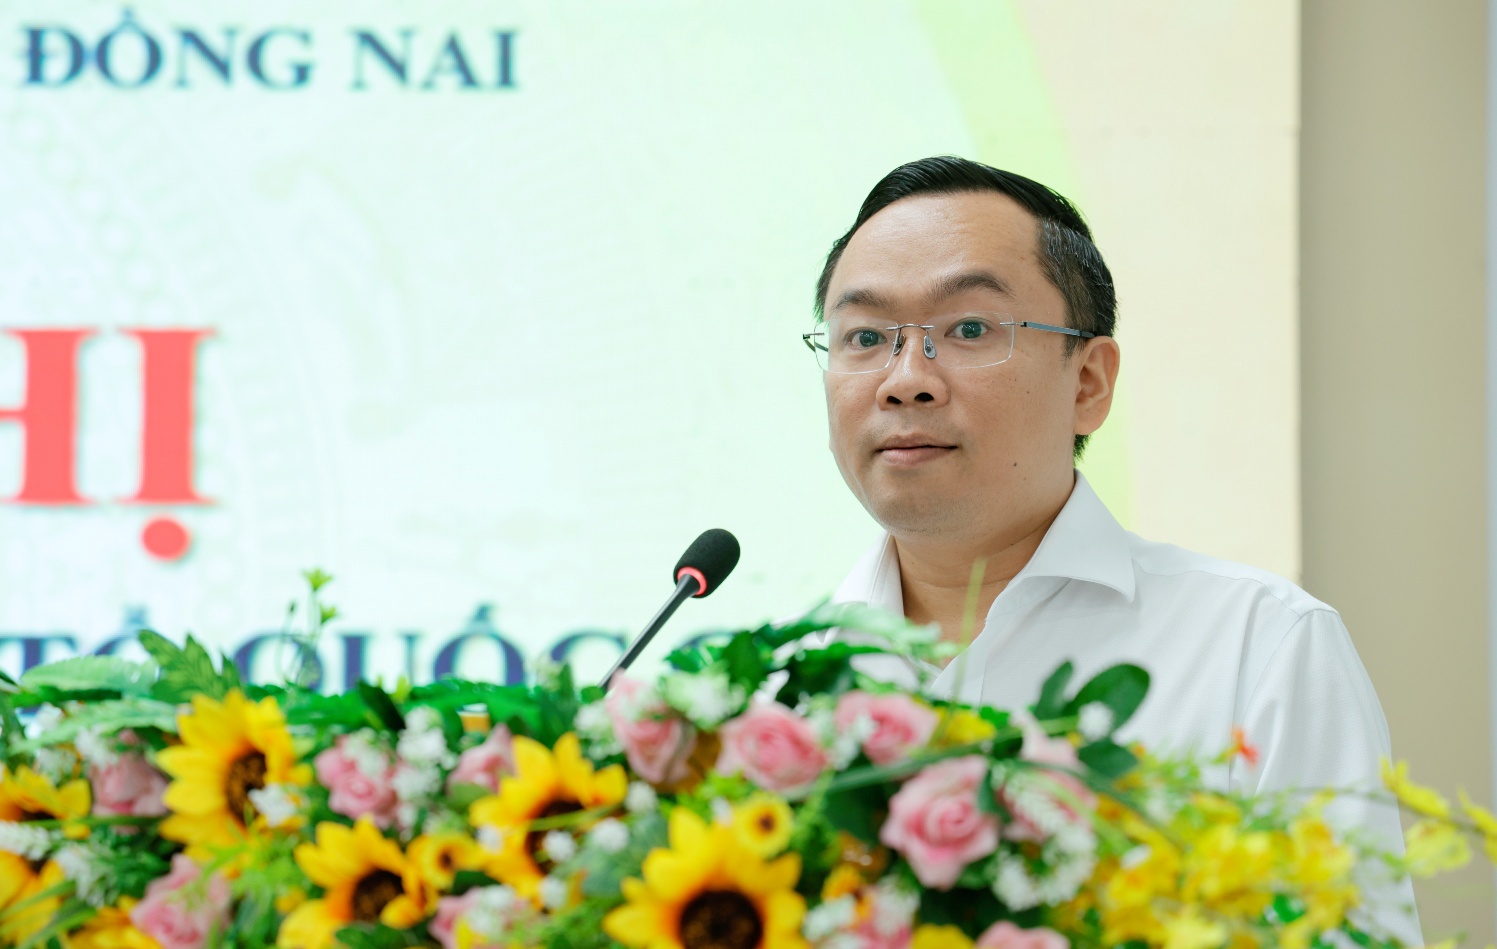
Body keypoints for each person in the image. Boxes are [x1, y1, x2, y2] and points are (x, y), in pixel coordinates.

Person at [806, 155, 1418, 936]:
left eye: (968, 329)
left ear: (1088, 383)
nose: (904, 379)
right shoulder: (777, 693)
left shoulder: (1258, 647)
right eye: (864, 336)